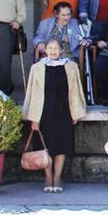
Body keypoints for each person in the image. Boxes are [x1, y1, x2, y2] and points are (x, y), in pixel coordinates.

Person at [23, 38, 87, 193]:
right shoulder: (37, 68)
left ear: (61, 50)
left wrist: (76, 111)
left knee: (61, 144)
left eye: (56, 48)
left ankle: (57, 176)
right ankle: (48, 176)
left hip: (64, 111)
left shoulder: (71, 67)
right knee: (46, 145)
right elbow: (31, 93)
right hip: (43, 112)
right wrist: (33, 118)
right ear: (45, 50)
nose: (52, 51)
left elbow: (77, 90)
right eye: (49, 48)